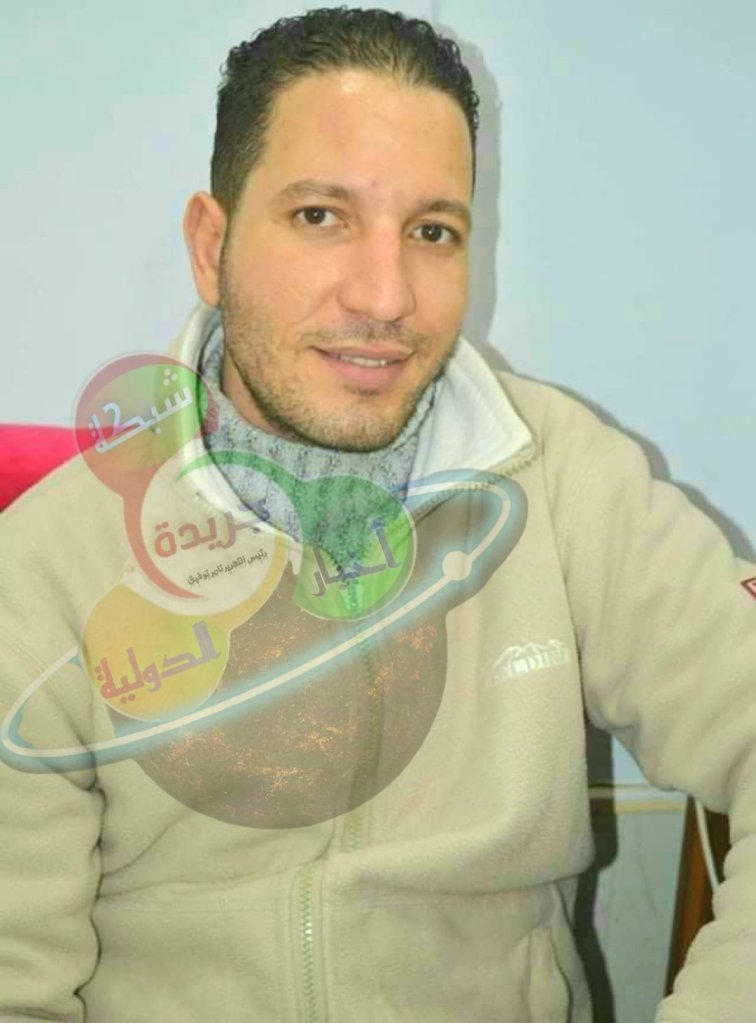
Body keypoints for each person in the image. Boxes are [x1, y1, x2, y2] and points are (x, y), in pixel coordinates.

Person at [1, 7, 754, 1021]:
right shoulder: (45, 570)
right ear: (212, 245)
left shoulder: (564, 480)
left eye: (432, 232)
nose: (386, 296)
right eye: (322, 216)